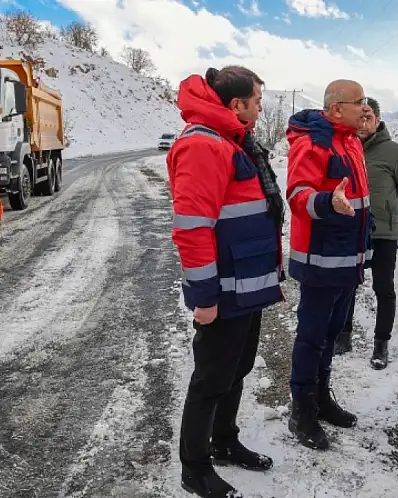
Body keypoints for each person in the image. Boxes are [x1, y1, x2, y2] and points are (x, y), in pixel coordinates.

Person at [167, 65, 286, 498]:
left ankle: (224, 440)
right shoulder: (203, 144)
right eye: (257, 100)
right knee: (211, 378)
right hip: (224, 287)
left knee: (237, 368)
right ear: (237, 104)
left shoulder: (233, 140)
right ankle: (195, 467)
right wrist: (204, 296)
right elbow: (192, 228)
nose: (260, 108)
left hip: (246, 283)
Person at [285, 80, 372, 450]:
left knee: (332, 334)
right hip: (321, 262)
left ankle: (321, 397)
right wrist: (325, 202)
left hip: (348, 261)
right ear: (336, 108)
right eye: (359, 102)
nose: (365, 108)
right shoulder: (312, 143)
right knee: (312, 336)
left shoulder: (350, 141)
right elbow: (297, 195)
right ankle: (301, 410)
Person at [334, 97, 398, 369]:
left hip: (383, 233)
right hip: (351, 230)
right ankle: (342, 336)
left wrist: (390, 214)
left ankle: (381, 344)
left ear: (378, 120)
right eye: (359, 116)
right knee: (347, 285)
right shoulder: (344, 149)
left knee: (383, 287)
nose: (363, 122)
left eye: (368, 117)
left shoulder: (396, 152)